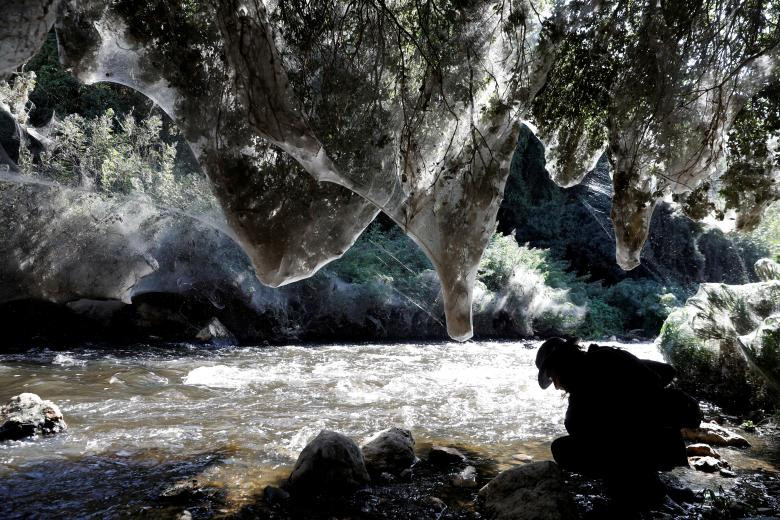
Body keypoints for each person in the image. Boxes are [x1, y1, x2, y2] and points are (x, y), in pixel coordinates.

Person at [535, 337, 700, 508]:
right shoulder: (607, 355)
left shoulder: (581, 393)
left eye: (552, 376)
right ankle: (652, 485)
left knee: (563, 449)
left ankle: (639, 492)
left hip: (652, 447)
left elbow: (592, 437)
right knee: (618, 431)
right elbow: (668, 371)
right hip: (668, 444)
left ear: (561, 365)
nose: (555, 385)